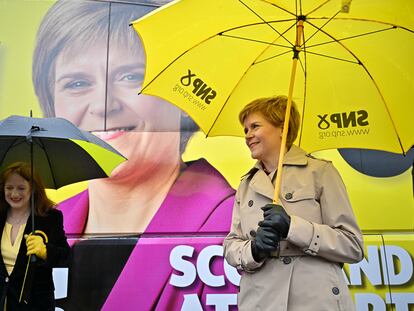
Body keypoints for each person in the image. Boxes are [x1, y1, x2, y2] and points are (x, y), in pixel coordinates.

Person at [32, 0, 236, 309]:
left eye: (130, 77)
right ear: (52, 106)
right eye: (77, 83)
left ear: (183, 98)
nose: (103, 105)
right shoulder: (36, 228)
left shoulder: (242, 228)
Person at [223, 96, 364, 311]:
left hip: (313, 300)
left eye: (255, 126)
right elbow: (232, 245)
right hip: (261, 301)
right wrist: (254, 250)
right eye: (245, 130)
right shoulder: (246, 184)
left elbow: (352, 246)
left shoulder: (320, 172)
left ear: (282, 127)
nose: (248, 135)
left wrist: (293, 227)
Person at [0, 162, 70, 310]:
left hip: (36, 304)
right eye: (9, 188)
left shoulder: (50, 218)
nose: (14, 194)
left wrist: (45, 251)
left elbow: (66, 257)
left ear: (33, 189)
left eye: (21, 188)